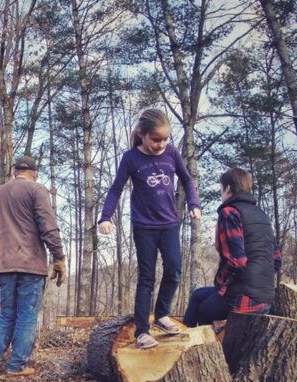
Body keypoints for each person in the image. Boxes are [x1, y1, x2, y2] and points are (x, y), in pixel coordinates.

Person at [98, 108, 201, 349]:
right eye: (156, 139)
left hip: (169, 224)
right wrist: (105, 217)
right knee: (147, 277)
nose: (161, 144)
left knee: (174, 269)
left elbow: (187, 179)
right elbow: (115, 189)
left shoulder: (172, 153)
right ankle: (142, 331)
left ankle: (162, 314)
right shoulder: (131, 158)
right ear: (143, 135)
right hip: (144, 226)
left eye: (165, 139)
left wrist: (193, 203)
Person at [0, 155, 66, 376]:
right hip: (29, 263)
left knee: (7, 314)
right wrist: (58, 258)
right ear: (34, 173)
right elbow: (48, 226)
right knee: (27, 315)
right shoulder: (37, 190)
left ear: (14, 172)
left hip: (4, 264)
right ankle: (16, 366)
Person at [183, 167, 282, 327]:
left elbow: (236, 261)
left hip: (243, 298)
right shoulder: (262, 215)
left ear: (228, 188)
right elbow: (276, 261)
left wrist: (221, 285)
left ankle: (194, 346)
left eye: (221, 188)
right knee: (198, 294)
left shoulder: (230, 212)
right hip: (266, 298)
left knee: (201, 309)